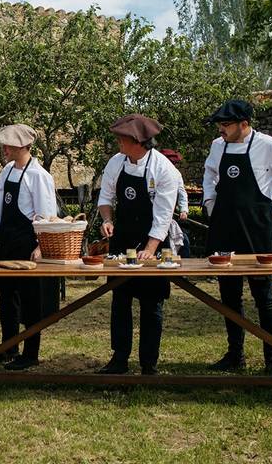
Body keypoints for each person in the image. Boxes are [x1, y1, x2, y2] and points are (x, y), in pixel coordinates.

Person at [202, 99, 272, 376]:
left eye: (226, 125)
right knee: (229, 295)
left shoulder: (267, 146)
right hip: (225, 227)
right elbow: (209, 173)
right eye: (220, 125)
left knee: (264, 295)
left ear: (244, 124)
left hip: (256, 229)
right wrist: (210, 200)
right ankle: (235, 354)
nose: (221, 130)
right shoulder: (217, 146)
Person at [96, 114, 178, 375]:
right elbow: (106, 197)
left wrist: (150, 250)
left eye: (122, 139)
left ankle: (148, 363)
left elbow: (164, 215)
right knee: (120, 299)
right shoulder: (116, 163)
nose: (118, 142)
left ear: (138, 141)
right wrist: (108, 220)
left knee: (151, 303)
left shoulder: (163, 169)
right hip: (122, 240)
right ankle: (119, 359)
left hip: (151, 240)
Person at [0, 124, 57, 371]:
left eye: (8, 144)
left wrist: (40, 246)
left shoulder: (38, 175)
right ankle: (8, 347)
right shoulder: (7, 171)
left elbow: (47, 214)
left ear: (21, 146)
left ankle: (30, 352)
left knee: (30, 300)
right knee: (6, 297)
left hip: (27, 243)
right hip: (7, 240)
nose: (4, 148)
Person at [160, 148, 190, 258]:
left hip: (169, 217)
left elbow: (182, 192)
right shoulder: (153, 171)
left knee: (183, 243)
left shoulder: (176, 174)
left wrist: (183, 210)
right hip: (153, 216)